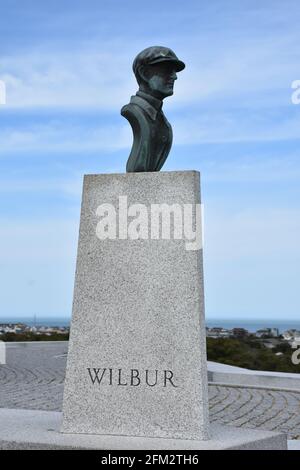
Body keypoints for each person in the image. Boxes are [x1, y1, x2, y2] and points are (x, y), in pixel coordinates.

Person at [121, 46, 185, 172]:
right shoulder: (134, 112)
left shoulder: (164, 123)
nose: (174, 77)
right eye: (167, 70)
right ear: (144, 74)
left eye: (174, 71)